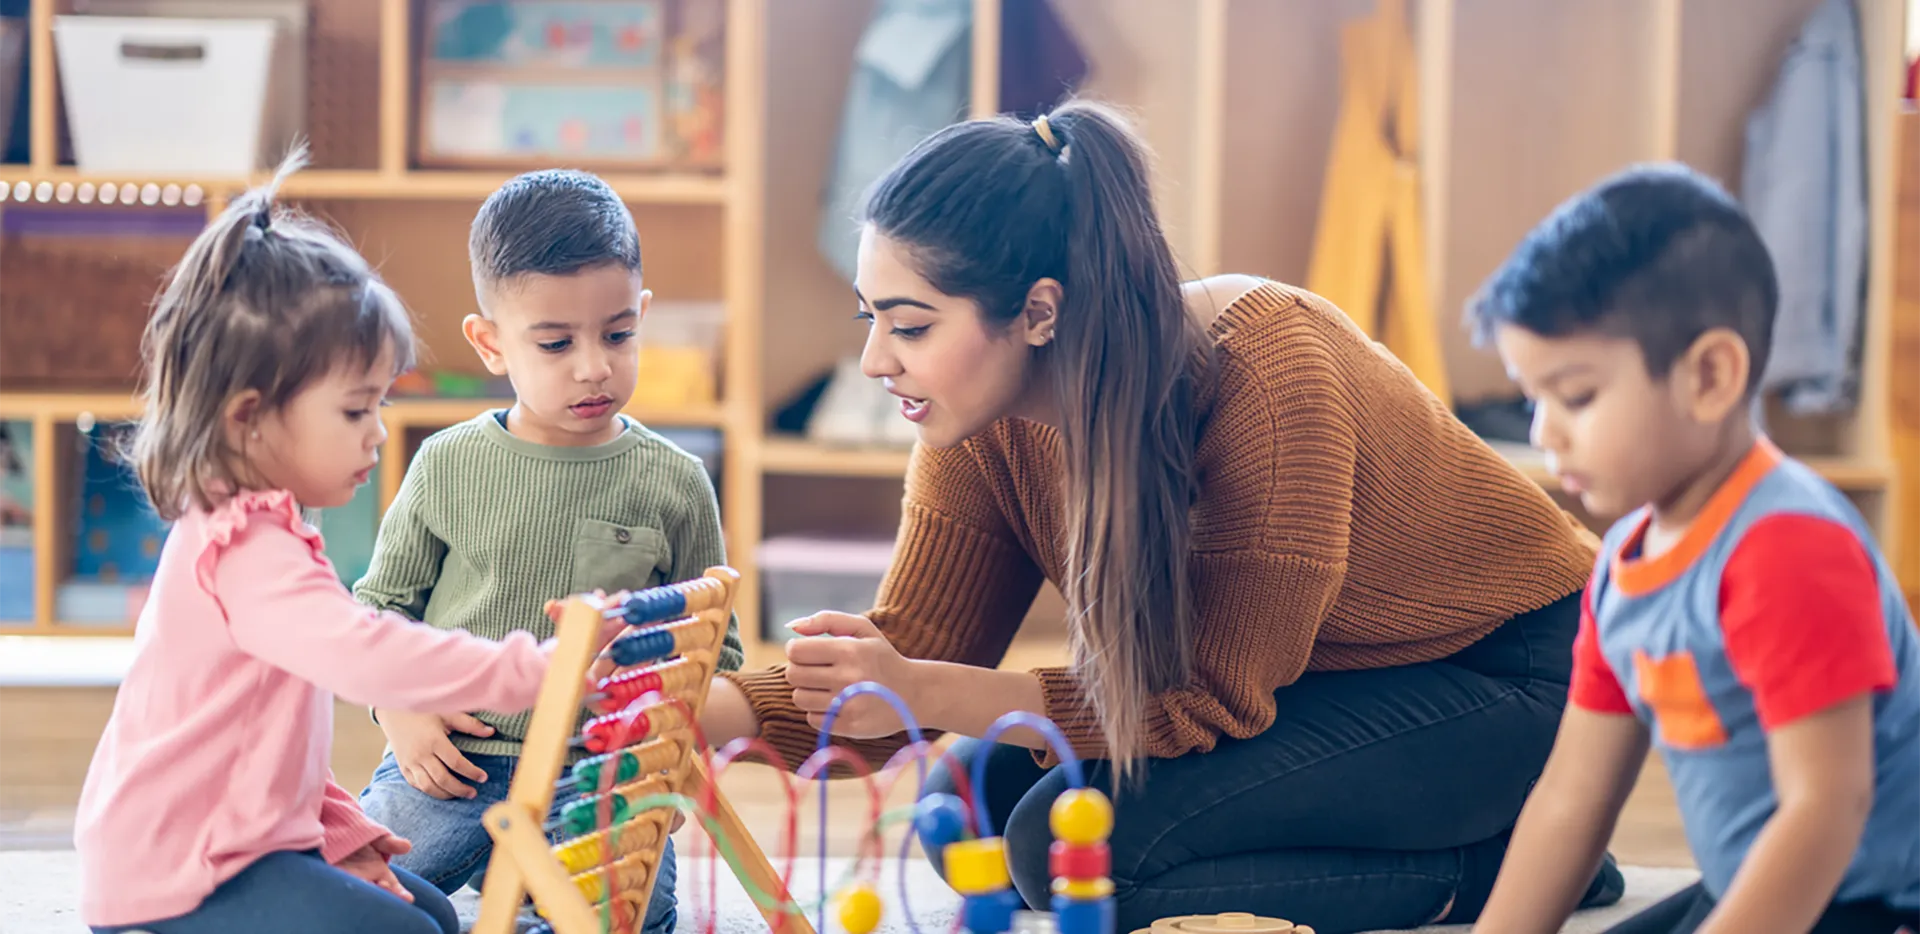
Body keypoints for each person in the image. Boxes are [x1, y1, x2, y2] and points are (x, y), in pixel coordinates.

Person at [697, 99, 1624, 934]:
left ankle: (1500, 867)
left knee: (1082, 865)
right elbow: (907, 654)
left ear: (1038, 312)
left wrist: (926, 689)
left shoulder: (1265, 376)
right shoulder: (978, 425)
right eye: (870, 319)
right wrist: (708, 712)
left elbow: (1206, 699)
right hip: (1321, 675)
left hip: (1520, 674)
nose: (872, 361)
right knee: (971, 812)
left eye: (909, 326)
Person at [72, 147, 598, 934]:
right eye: (356, 411)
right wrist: (533, 670)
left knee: (432, 916)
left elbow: (266, 744)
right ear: (249, 418)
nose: (379, 434)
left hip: (236, 843)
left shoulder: (263, 528)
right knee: (415, 933)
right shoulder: (244, 548)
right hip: (183, 872)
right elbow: (367, 654)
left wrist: (346, 839)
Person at [1467, 165, 1920, 934]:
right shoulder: (1624, 564)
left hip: (1871, 904)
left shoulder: (1787, 548)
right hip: (1758, 885)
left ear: (1710, 377)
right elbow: (1573, 798)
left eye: (1575, 396)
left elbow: (1825, 810)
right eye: (1532, 398)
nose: (1545, 433)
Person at [352, 168, 743, 934]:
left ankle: (524, 890)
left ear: (643, 316)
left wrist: (651, 727)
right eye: (556, 342)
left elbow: (717, 655)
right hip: (454, 760)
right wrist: (397, 707)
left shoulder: (678, 482)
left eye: (618, 333)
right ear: (490, 343)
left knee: (625, 919)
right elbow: (377, 609)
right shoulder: (446, 463)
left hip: (601, 774)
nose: (593, 365)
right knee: (359, 897)